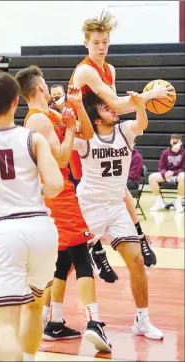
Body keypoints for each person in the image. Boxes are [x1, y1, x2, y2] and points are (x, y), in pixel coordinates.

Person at [0, 72, 64, 362]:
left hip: (3, 231)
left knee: (6, 324)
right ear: (17, 102)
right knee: (34, 304)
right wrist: (33, 192)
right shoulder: (33, 138)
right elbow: (56, 185)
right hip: (41, 228)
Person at [15, 66, 112, 353]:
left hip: (60, 192)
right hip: (58, 195)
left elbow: (87, 132)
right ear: (41, 88)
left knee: (62, 261)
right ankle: (94, 322)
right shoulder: (39, 122)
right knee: (82, 255)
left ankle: (54, 322)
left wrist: (78, 106)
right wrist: (69, 129)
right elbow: (59, 157)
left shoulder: (50, 115)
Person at [68, 9, 173, 273]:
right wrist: (151, 96)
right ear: (86, 43)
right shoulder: (84, 71)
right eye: (96, 43)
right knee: (84, 195)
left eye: (105, 42)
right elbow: (115, 102)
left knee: (118, 186)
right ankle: (96, 249)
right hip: (82, 136)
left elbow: (114, 109)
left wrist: (137, 108)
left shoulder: (110, 69)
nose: (101, 47)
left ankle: (138, 237)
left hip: (101, 131)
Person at [74, 91, 163, 340]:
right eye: (105, 107)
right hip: (89, 206)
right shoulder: (86, 139)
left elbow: (141, 123)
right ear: (97, 120)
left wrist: (138, 105)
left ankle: (142, 320)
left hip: (116, 206)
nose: (113, 108)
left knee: (136, 260)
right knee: (67, 264)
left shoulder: (124, 131)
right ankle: (50, 312)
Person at [149, 134, 185, 213]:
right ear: (170, 141)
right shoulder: (165, 152)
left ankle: (178, 202)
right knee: (152, 177)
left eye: (176, 140)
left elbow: (183, 168)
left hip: (177, 175)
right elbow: (161, 167)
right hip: (166, 175)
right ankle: (159, 202)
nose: (174, 142)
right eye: (173, 140)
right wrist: (165, 173)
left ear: (181, 142)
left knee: (183, 176)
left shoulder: (184, 153)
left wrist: (173, 172)